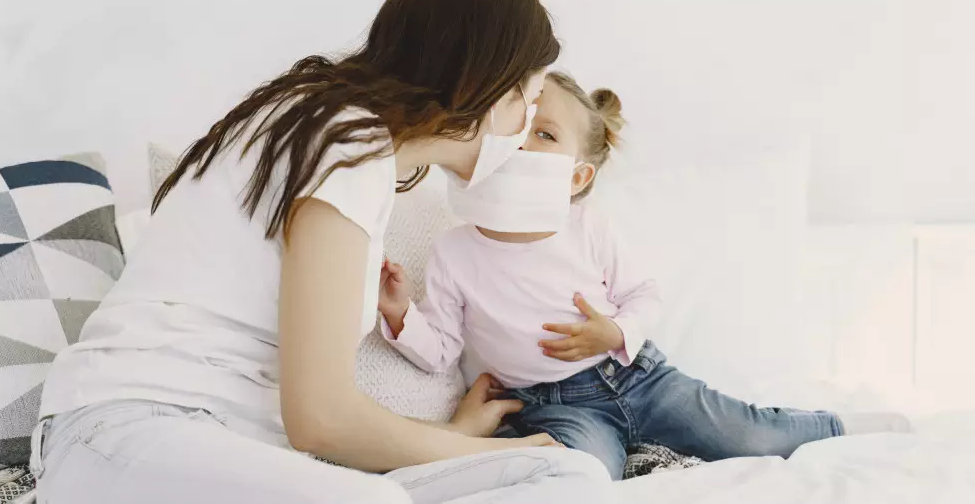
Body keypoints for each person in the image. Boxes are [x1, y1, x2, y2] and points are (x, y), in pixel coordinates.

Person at [31, 0, 615, 504]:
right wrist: (475, 450)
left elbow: (318, 423)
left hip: (226, 446)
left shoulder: (351, 142)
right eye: (526, 103)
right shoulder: (345, 140)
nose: (522, 132)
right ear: (483, 87)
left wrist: (454, 439)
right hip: (126, 431)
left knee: (569, 473)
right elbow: (321, 420)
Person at [377, 71, 914, 480]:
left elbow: (644, 295)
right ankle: (621, 455)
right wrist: (400, 314)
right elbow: (441, 350)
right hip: (551, 406)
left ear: (576, 178)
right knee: (582, 471)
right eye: (517, 128)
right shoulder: (454, 250)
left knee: (744, 433)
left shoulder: (587, 226)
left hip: (637, 377)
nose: (523, 143)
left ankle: (838, 427)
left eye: (544, 134)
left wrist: (614, 332)